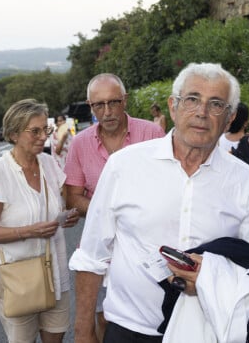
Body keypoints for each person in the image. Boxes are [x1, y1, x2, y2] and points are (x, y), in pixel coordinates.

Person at [69, 63, 249, 343]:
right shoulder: (124, 166)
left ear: (229, 119)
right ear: (173, 107)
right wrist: (83, 332)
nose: (201, 113)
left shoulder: (246, 181)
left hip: (208, 331)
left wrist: (211, 277)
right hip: (130, 330)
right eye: (192, 99)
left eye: (216, 104)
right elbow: (92, 254)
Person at [64, 73, 165, 341]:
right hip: (100, 251)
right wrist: (110, 213)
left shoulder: (152, 134)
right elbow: (72, 197)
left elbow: (169, 186)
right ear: (90, 106)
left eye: (114, 102)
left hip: (146, 247)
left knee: (153, 320)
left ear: (126, 100)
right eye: (99, 105)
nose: (107, 112)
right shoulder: (79, 144)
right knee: (104, 319)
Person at [0, 99, 80, 343]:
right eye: (35, 131)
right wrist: (29, 231)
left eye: (45, 130)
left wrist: (68, 217)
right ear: (14, 134)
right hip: (18, 278)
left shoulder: (49, 163)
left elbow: (64, 204)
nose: (43, 137)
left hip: (55, 274)